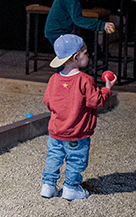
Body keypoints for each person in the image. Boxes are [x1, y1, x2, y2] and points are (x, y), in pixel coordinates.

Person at [41, 34, 114, 200]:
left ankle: (48, 185)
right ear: (76, 57)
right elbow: (97, 101)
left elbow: (48, 101)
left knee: (53, 157)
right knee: (75, 160)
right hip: (77, 134)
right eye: (85, 52)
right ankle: (70, 188)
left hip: (55, 132)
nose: (88, 55)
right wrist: (107, 89)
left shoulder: (53, 79)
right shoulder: (85, 80)